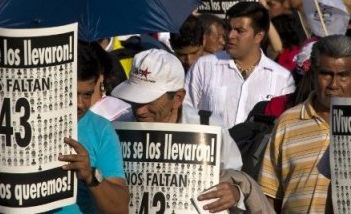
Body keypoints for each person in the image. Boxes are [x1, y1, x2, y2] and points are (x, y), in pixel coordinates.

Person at [111, 48, 274, 213]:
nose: (140, 110)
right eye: (135, 100)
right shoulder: (116, 129)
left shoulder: (209, 127)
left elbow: (234, 175)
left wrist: (234, 192)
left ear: (178, 98)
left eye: (149, 101)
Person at [258, 35, 351, 213]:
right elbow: (269, 197)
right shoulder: (288, 122)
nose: (334, 84)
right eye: (326, 74)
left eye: (343, 75)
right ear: (313, 74)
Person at [184, 1, 295, 128]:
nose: (230, 35)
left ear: (258, 36)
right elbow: (186, 113)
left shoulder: (282, 79)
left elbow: (285, 125)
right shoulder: (204, 66)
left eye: (239, 31)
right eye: (229, 28)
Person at [50, 42, 129, 213]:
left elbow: (120, 209)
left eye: (87, 94)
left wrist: (91, 176)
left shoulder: (101, 130)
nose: (80, 104)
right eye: (71, 93)